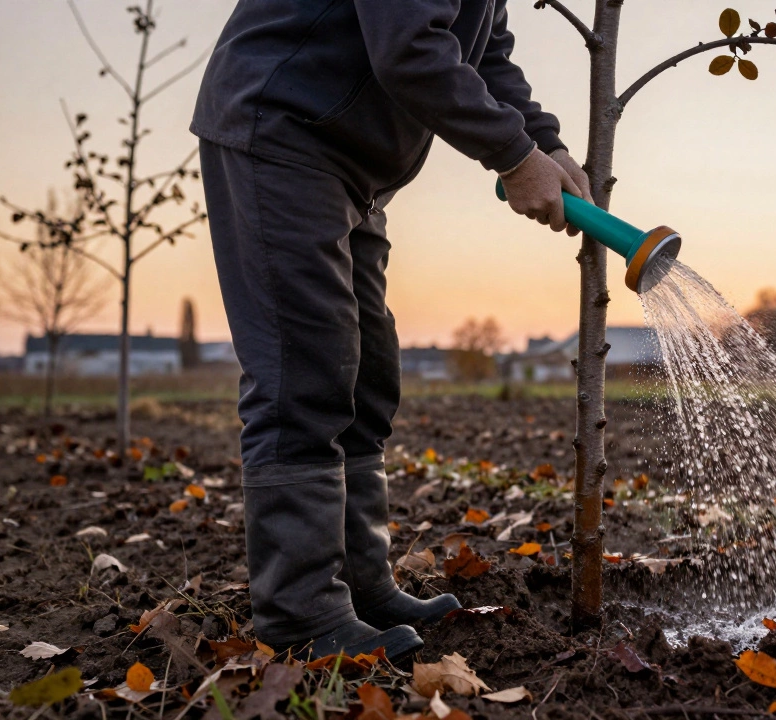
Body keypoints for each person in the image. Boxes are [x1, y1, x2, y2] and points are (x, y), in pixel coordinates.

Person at [190, 0, 591, 663]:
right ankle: (301, 614)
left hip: (350, 163)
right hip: (284, 125)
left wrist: (545, 141)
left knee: (369, 377)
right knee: (305, 372)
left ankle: (359, 584)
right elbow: (408, 47)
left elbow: (483, 51)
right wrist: (513, 156)